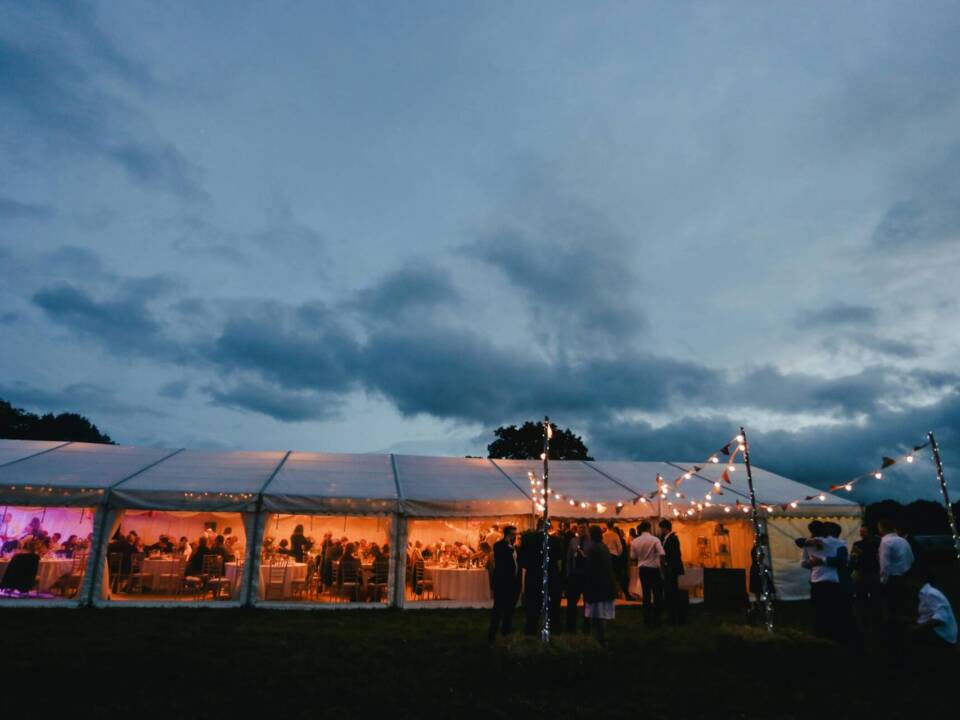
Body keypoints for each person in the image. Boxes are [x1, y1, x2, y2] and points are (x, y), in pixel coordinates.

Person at [798, 521, 840, 640]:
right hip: (832, 580)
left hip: (816, 580)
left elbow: (803, 563)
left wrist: (811, 564)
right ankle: (833, 634)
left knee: (818, 611)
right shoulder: (835, 542)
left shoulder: (808, 544)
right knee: (832, 610)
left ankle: (820, 634)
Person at [584, 525, 616, 644]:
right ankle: (601, 639)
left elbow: (591, 569)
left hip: (597, 586)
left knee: (596, 615)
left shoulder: (592, 548)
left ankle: (598, 640)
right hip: (606, 585)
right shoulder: (604, 547)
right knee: (601, 615)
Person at [488, 525, 520, 644]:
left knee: (509, 611)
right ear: (507, 535)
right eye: (513, 534)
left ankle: (506, 633)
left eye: (515, 535)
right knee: (498, 610)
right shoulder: (499, 545)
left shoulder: (514, 547)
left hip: (513, 583)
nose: (515, 537)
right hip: (502, 583)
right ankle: (492, 635)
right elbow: (502, 560)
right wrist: (510, 546)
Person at [631, 520, 665, 627]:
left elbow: (633, 557)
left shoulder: (635, 541)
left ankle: (646, 620)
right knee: (657, 595)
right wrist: (661, 568)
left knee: (646, 595)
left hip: (643, 570)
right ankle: (657, 620)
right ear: (649, 528)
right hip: (654, 570)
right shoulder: (655, 540)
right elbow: (662, 553)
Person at [849, 524, 882, 632]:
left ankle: (866, 626)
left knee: (862, 602)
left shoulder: (858, 545)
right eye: (861, 531)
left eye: (863, 532)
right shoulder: (878, 544)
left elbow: (853, 560)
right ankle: (874, 625)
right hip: (871, 575)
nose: (861, 533)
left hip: (864, 575)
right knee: (874, 601)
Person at [914, 576, 958, 648]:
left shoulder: (931, 594)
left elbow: (939, 619)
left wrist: (916, 629)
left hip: (943, 636)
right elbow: (928, 615)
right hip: (938, 633)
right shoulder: (924, 594)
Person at [564, 522, 590, 634]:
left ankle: (587, 627)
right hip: (574, 575)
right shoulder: (573, 541)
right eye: (580, 528)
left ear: (587, 529)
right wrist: (568, 573)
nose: (582, 530)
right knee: (572, 602)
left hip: (587, 575)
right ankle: (571, 627)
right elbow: (569, 558)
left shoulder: (591, 542)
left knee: (588, 602)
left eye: (584, 528)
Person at [659, 519, 685, 625]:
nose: (661, 530)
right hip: (669, 568)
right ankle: (671, 615)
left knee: (671, 592)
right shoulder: (666, 538)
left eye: (661, 528)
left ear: (665, 528)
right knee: (669, 592)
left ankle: (673, 616)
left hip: (672, 569)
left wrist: (667, 564)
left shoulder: (673, 538)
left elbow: (676, 554)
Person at [602, 521, 624, 597]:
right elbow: (620, 548)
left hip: (605, 556)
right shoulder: (615, 535)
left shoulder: (603, 535)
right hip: (614, 556)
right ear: (613, 526)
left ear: (606, 525)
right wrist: (618, 554)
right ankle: (618, 592)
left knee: (606, 575)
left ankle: (607, 591)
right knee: (616, 575)